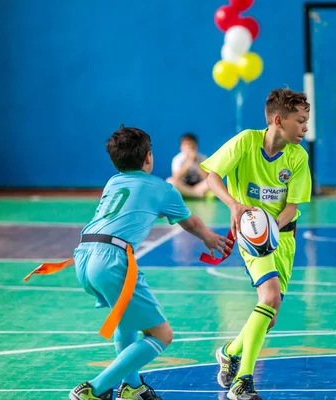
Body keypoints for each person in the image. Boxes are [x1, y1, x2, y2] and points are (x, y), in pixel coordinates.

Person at [66, 126, 232, 400]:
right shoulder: (161, 188)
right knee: (162, 334)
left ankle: (132, 387)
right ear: (149, 158)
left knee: (126, 322)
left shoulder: (113, 182)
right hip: (112, 260)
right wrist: (209, 237)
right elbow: (189, 222)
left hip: (83, 256)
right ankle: (94, 389)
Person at [201, 88, 312, 400]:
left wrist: (271, 229)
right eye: (300, 121)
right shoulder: (246, 141)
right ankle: (243, 382)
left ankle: (229, 352)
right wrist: (235, 206)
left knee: (270, 314)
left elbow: (292, 206)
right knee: (270, 296)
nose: (305, 127)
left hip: (282, 237)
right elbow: (210, 175)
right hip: (253, 239)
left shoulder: (298, 157)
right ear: (279, 120)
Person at [167, 133, 210, 198]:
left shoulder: (203, 158)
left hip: (199, 186)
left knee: (211, 182)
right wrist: (189, 162)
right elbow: (176, 178)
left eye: (192, 145)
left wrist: (197, 163)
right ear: (181, 147)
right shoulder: (177, 159)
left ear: (196, 146)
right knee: (170, 181)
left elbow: (207, 177)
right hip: (184, 186)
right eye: (186, 145)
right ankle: (196, 195)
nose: (189, 148)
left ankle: (189, 195)